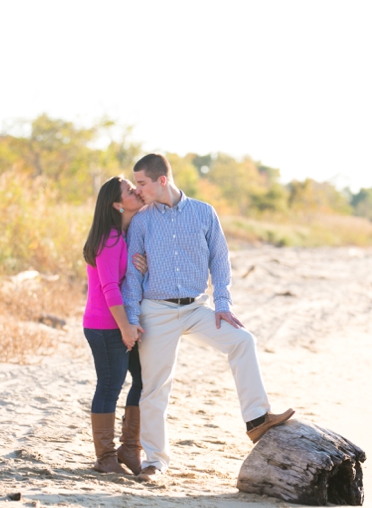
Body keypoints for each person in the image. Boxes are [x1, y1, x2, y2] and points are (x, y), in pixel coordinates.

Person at [123, 154, 295, 482]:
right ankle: (155, 462)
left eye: (142, 183)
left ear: (162, 180)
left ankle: (257, 419)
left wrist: (222, 303)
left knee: (243, 341)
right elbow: (132, 274)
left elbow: (220, 259)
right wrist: (132, 317)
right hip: (156, 310)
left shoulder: (204, 212)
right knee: (155, 387)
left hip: (196, 308)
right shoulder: (142, 220)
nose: (138, 189)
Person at [82, 176, 148, 475]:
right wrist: (125, 327)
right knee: (110, 386)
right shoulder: (109, 237)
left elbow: (122, 277)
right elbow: (109, 287)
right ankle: (105, 458)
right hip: (105, 325)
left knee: (143, 379)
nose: (136, 191)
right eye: (129, 190)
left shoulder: (122, 235)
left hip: (118, 323)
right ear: (117, 204)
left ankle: (130, 449)